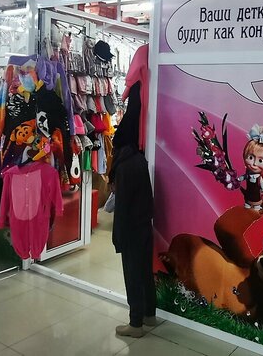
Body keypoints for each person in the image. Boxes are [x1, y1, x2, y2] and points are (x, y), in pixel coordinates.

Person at [111, 82, 158, 338]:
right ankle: (150, 315)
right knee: (145, 272)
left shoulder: (124, 168)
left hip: (131, 229)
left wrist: (117, 237)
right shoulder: (140, 160)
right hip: (144, 226)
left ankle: (135, 323)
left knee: (132, 275)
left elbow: (122, 208)